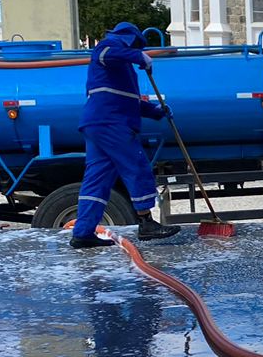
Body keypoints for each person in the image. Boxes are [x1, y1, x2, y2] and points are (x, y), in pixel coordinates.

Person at [70, 21, 182, 250]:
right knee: (136, 166)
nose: (137, 51)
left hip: (98, 123)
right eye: (137, 46)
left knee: (97, 180)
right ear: (130, 39)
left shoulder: (120, 70)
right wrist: (141, 58)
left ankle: (83, 232)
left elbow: (129, 102)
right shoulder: (108, 47)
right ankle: (146, 223)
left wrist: (157, 112)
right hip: (111, 123)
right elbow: (107, 52)